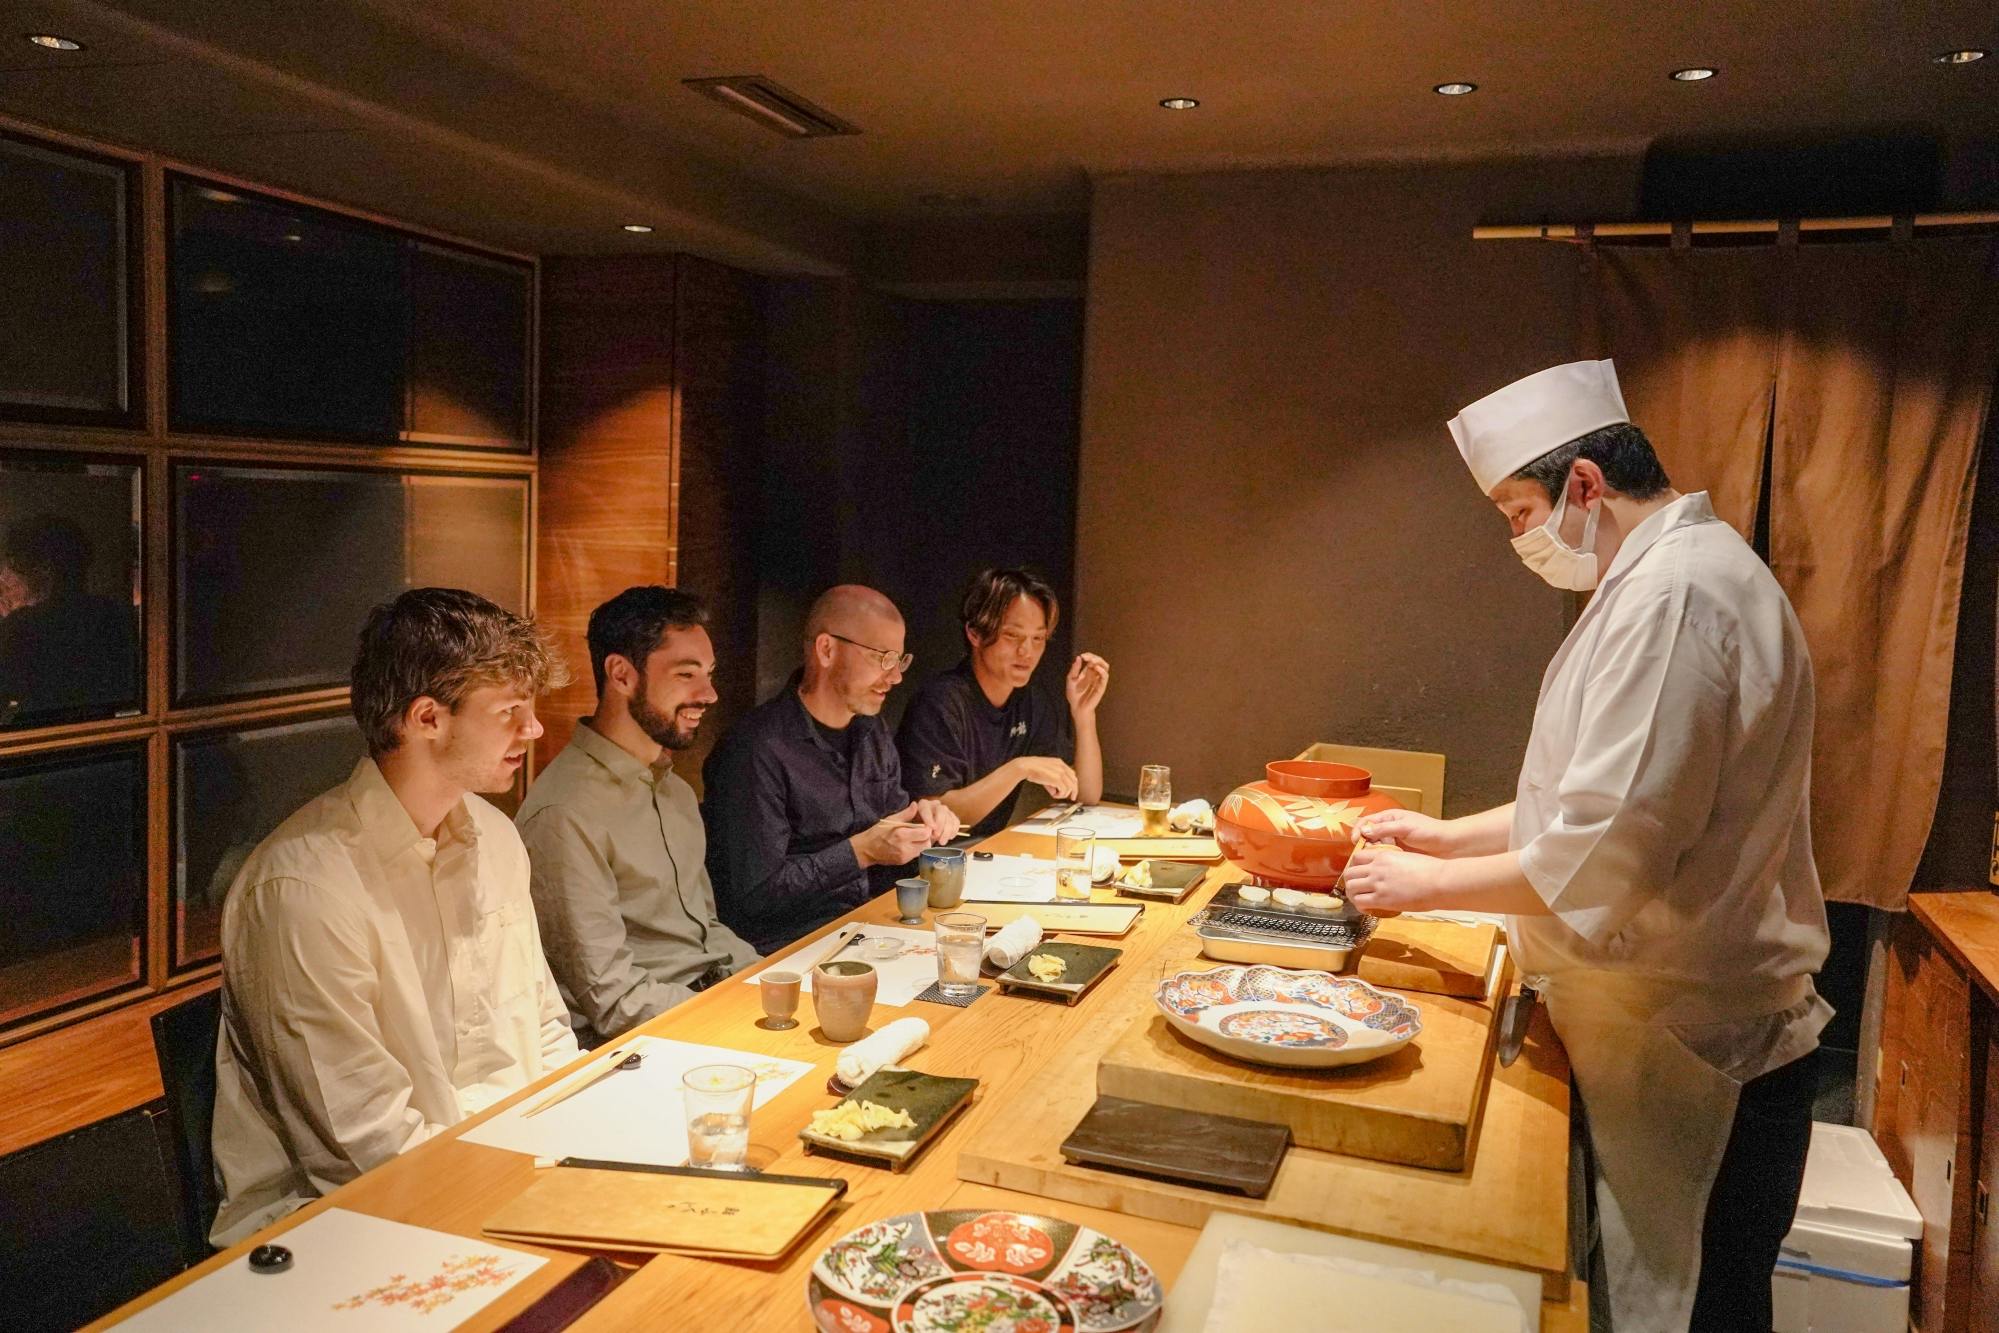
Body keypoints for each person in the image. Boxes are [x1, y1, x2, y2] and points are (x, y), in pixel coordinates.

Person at [1341, 360, 1830, 1332]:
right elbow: (1584, 802)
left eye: (1518, 512)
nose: (1519, 538)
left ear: (1583, 484)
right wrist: (1443, 833)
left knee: (1695, 1309)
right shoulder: (1660, 578)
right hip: (1654, 1032)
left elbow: (1614, 853)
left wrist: (1426, 883)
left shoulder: (1679, 597)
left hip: (1699, 1049)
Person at [209, 588, 579, 1245]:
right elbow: (364, 1141)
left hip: (508, 1177)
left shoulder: (493, 836)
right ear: (427, 717)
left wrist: (573, 1161)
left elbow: (545, 1027)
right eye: (510, 712)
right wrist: (528, 1196)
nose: (534, 729)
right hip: (339, 1228)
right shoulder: (304, 889)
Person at [516, 587, 759, 1046]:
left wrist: (776, 983)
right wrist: (735, 1015)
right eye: (687, 674)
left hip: (715, 1008)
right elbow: (613, 1002)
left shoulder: (676, 792)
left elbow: (709, 934)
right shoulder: (564, 813)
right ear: (622, 674)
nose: (709, 694)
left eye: (708, 674)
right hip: (644, 1045)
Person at [703, 585, 959, 954]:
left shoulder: (872, 731)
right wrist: (861, 852)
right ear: (826, 649)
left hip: (869, 927)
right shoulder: (756, 748)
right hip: (785, 949)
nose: (895, 676)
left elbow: (890, 840)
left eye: (899, 660)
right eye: (882, 657)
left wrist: (923, 826)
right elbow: (754, 895)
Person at [897, 567, 1110, 840]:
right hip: (931, 862)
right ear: (975, 634)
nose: (1027, 652)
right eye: (1012, 636)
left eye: (1038, 639)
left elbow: (1087, 794)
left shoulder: (1030, 700)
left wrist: (1084, 715)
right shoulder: (940, 703)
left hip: (988, 852)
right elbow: (935, 816)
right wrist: (1018, 769)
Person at [0, 511, 138, 724]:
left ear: (43, 568)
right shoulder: (117, 614)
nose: (3, 577)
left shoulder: (21, 629)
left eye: (10, 565)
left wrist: (13, 624)